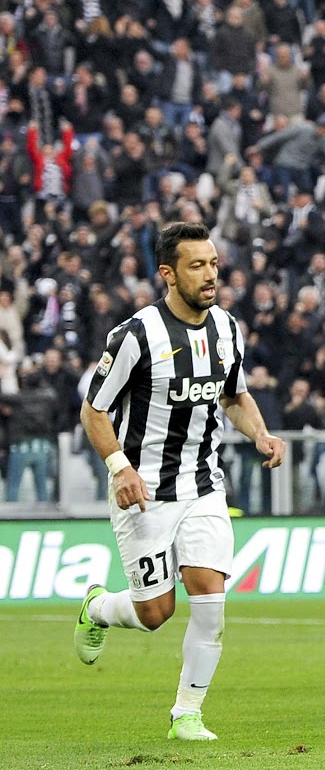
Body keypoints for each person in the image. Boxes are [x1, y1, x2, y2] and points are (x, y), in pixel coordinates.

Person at [73, 222, 287, 741]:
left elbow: (233, 395)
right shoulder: (135, 335)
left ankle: (187, 713)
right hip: (143, 491)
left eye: (213, 263)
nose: (210, 275)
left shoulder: (227, 328)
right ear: (168, 274)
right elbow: (93, 411)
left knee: (210, 599)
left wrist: (260, 433)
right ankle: (97, 607)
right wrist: (120, 468)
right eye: (197, 266)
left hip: (203, 485)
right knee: (155, 613)